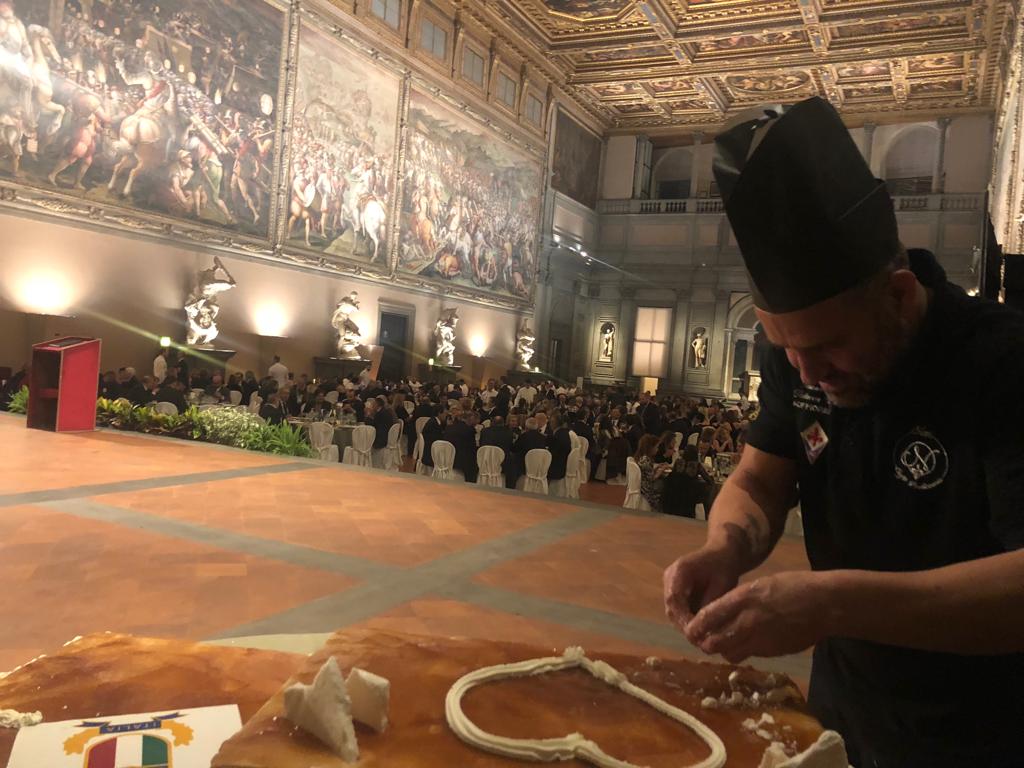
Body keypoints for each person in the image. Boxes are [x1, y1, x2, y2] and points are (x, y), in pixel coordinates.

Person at [663, 96, 1024, 768]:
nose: (807, 371)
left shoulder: (1001, 363)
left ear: (898, 295)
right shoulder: (798, 359)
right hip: (839, 718)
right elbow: (759, 478)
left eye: (827, 345)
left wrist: (833, 604)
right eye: (785, 347)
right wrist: (724, 548)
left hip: (985, 734)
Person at [634, 434, 670, 512]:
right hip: (646, 488)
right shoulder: (646, 460)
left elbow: (647, 473)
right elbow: (652, 478)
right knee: (665, 484)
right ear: (650, 448)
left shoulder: (641, 457)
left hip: (642, 485)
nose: (657, 449)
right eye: (656, 447)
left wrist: (657, 467)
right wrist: (661, 470)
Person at [480, 415, 516, 488]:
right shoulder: (508, 433)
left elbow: (481, 444)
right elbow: (510, 447)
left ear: (492, 423)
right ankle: (509, 488)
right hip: (501, 462)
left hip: (486, 461)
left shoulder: (484, 431)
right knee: (513, 467)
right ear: (503, 423)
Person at [443, 411, 479, 483]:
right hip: (460, 462)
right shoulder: (469, 430)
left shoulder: (448, 428)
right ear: (469, 419)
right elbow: (472, 449)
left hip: (446, 458)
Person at [546, 412, 573, 483]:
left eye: (551, 422)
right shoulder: (565, 433)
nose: (550, 424)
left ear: (554, 423)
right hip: (564, 463)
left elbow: (552, 454)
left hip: (556, 468)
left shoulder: (557, 436)